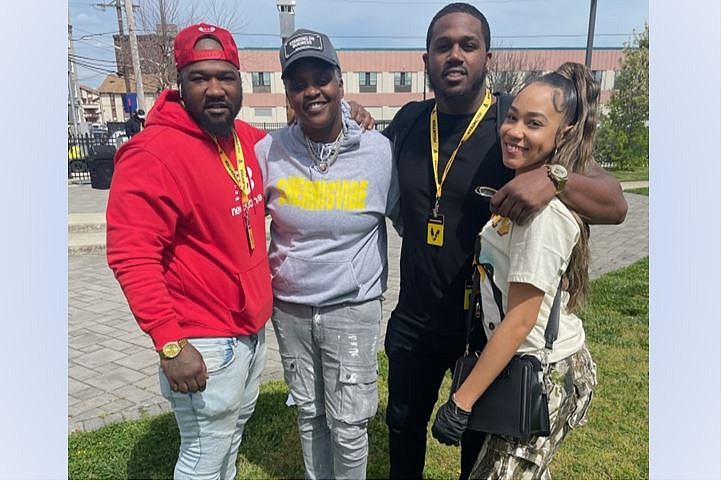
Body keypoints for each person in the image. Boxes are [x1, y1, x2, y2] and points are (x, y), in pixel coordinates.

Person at [381, 3, 627, 479]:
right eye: (442, 45)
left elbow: (615, 203)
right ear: (425, 58)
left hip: (484, 330)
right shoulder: (409, 123)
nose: (455, 55)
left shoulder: (513, 126)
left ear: (487, 57)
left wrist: (555, 179)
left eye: (468, 45)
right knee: (403, 428)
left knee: (478, 450)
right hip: (415, 317)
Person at [106, 23, 272, 479]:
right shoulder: (152, 154)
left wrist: (350, 112)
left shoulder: (246, 140)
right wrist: (170, 343)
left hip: (249, 330)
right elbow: (131, 256)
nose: (215, 89)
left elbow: (301, 137)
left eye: (226, 77)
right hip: (202, 340)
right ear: (180, 83)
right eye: (200, 78)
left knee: (229, 440)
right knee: (203, 455)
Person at [432, 61, 600, 479]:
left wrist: (461, 402)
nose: (515, 131)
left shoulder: (541, 214)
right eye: (512, 117)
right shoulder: (523, 191)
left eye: (534, 123)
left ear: (563, 133)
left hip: (541, 375)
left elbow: (521, 318)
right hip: (531, 365)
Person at [255, 29, 398, 480]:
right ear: (287, 93)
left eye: (322, 78)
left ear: (340, 82)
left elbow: (404, 217)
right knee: (310, 413)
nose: (311, 91)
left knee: (349, 423)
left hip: (352, 309)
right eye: (298, 84)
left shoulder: (378, 151)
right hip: (292, 310)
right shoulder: (268, 151)